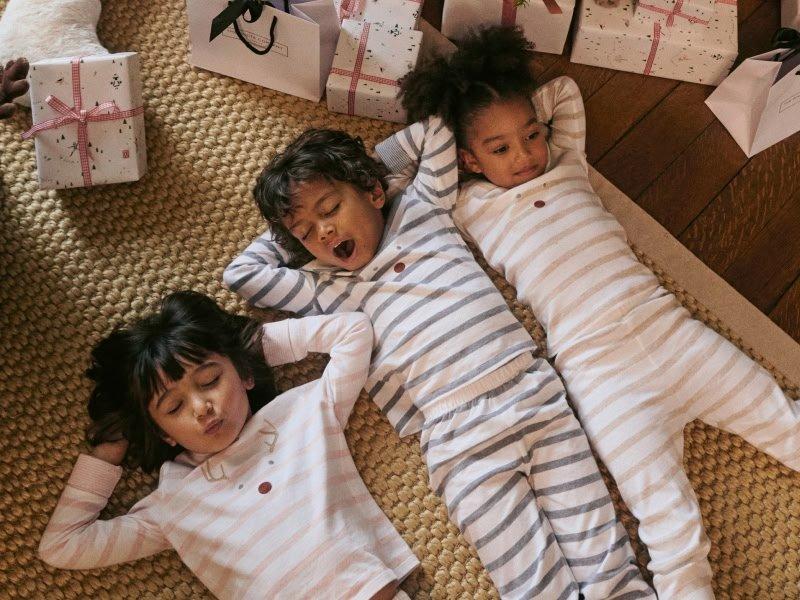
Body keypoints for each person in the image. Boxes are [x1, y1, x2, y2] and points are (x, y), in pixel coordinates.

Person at [390, 25, 800, 600]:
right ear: (468, 160)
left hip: (671, 333)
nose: (526, 155)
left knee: (783, 420)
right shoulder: (467, 208)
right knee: (671, 529)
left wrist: (503, 95)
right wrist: (448, 110)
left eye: (530, 135)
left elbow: (563, 93)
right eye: (500, 148)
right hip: (602, 378)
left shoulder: (567, 163)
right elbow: (410, 174)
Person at [223, 129, 655, 599]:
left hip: (533, 397)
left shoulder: (421, 207)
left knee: (609, 566)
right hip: (456, 441)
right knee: (535, 587)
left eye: (329, 209)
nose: (323, 232)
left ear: (372, 190)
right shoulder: (324, 288)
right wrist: (291, 228)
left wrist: (375, 172)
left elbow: (437, 132)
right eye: (307, 233)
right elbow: (241, 275)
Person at [38, 290, 418, 600]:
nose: (202, 408)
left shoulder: (304, 412)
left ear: (243, 374)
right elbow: (63, 545)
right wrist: (109, 451)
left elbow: (353, 332)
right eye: (174, 407)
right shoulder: (176, 502)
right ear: (164, 433)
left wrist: (255, 349)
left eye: (209, 381)